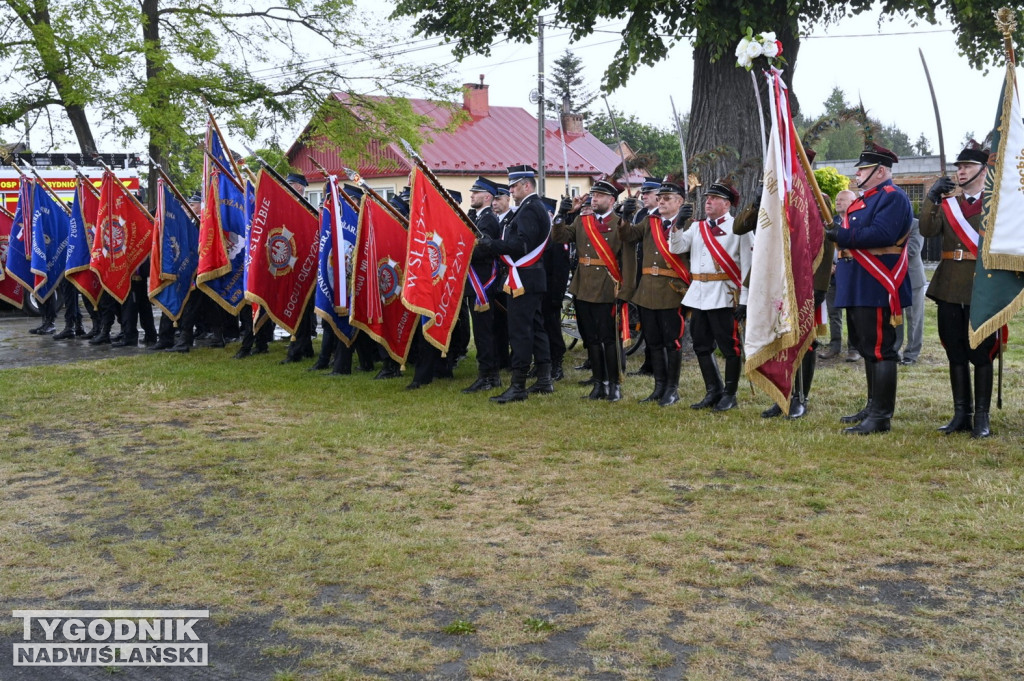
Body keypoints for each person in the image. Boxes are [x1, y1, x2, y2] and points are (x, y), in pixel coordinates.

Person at [825, 143, 914, 435]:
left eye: (864, 169)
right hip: (857, 282)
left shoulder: (892, 197)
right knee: (866, 347)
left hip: (876, 281)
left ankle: (881, 416)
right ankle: (872, 404)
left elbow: (883, 234)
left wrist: (843, 234)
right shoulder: (866, 199)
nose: (858, 173)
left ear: (881, 171)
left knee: (880, 349)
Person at [919, 141, 998, 438]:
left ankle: (982, 417)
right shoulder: (950, 203)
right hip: (949, 283)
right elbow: (927, 230)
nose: (960, 171)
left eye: (966, 167)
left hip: (982, 286)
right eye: (958, 167)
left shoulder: (995, 204)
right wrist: (933, 197)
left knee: (981, 353)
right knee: (955, 351)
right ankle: (960, 414)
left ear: (983, 170)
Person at [669, 179, 752, 412]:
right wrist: (678, 224)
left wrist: (744, 300)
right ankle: (712, 390)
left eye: (714, 199)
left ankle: (730, 394)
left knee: (730, 347)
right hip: (699, 294)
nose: (708, 202)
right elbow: (676, 248)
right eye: (707, 198)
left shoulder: (740, 230)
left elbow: (748, 267)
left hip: (725, 295)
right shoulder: (696, 227)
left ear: (726, 204)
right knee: (701, 345)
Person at [476, 165, 551, 403]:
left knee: (520, 331)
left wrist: (492, 245)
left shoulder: (529, 210)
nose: (510, 190)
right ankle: (544, 379)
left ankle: (518, 385)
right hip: (530, 277)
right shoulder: (531, 207)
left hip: (524, 277)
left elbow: (521, 246)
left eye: (514, 186)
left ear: (526, 185)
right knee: (536, 328)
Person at [552, 179, 630, 401]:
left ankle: (614, 384)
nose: (594, 199)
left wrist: (624, 290)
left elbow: (626, 260)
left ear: (611, 200)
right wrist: (562, 214)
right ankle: (599, 383)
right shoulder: (582, 220)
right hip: (583, 286)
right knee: (592, 339)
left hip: (608, 286)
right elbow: (559, 237)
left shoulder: (620, 224)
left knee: (609, 339)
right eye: (593, 195)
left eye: (600, 196)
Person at [618, 178, 692, 406]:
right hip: (647, 290)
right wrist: (625, 217)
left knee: (672, 342)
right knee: (654, 342)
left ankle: (672, 388)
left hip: (672, 290)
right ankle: (658, 387)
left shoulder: (689, 225)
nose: (661, 202)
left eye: (667, 198)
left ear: (680, 202)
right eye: (659, 198)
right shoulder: (650, 222)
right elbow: (628, 236)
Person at [461, 177, 504, 393]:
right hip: (476, 282)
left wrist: (461, 251)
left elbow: (483, 249)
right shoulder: (478, 217)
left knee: (483, 332)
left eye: (476, 193)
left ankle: (486, 376)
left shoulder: (487, 220)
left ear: (487, 196)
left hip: (482, 283)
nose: (472, 196)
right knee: (483, 331)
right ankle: (492, 375)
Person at [821, 190, 858, 360]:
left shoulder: (858, 221)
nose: (838, 202)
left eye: (842, 199)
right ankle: (834, 346)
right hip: (834, 272)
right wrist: (830, 265)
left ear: (853, 201)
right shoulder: (832, 222)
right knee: (833, 311)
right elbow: (825, 247)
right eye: (837, 199)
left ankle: (854, 348)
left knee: (853, 312)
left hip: (853, 271)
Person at [897, 216, 926, 365]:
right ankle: (895, 350)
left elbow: (913, 249)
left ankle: (911, 354)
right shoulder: (888, 222)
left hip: (912, 277)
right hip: (893, 278)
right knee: (895, 317)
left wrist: (888, 252)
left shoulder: (915, 224)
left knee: (914, 318)